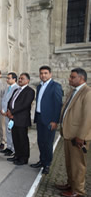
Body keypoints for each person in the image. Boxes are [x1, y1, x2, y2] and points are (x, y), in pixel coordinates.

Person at [55, 68, 91, 197]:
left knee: (78, 165)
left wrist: (81, 136)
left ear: (81, 78)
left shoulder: (87, 93)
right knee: (70, 163)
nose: (69, 79)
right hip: (68, 134)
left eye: (72, 77)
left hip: (78, 136)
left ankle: (79, 191)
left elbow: (88, 117)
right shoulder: (73, 91)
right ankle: (71, 184)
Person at [30, 66, 63, 175]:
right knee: (40, 141)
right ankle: (42, 160)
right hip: (40, 117)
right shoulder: (39, 86)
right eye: (41, 73)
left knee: (48, 143)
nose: (43, 75)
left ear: (50, 74)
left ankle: (47, 164)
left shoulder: (55, 86)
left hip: (49, 120)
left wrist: (55, 121)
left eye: (45, 73)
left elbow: (58, 105)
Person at [6, 73, 35, 165]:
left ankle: (24, 158)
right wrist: (8, 110)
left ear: (28, 80)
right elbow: (10, 101)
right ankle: (17, 156)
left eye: (22, 79)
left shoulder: (30, 91)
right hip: (13, 118)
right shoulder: (16, 90)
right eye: (19, 78)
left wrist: (12, 112)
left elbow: (25, 105)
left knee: (22, 139)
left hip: (22, 119)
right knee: (16, 138)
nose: (20, 80)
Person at [0, 72, 19, 156]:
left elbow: (13, 102)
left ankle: (13, 149)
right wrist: (2, 110)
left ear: (14, 79)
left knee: (12, 132)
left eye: (9, 78)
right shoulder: (8, 87)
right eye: (7, 78)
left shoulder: (17, 88)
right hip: (5, 113)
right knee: (7, 131)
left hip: (11, 114)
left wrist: (8, 111)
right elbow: (4, 99)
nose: (7, 80)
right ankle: (9, 147)